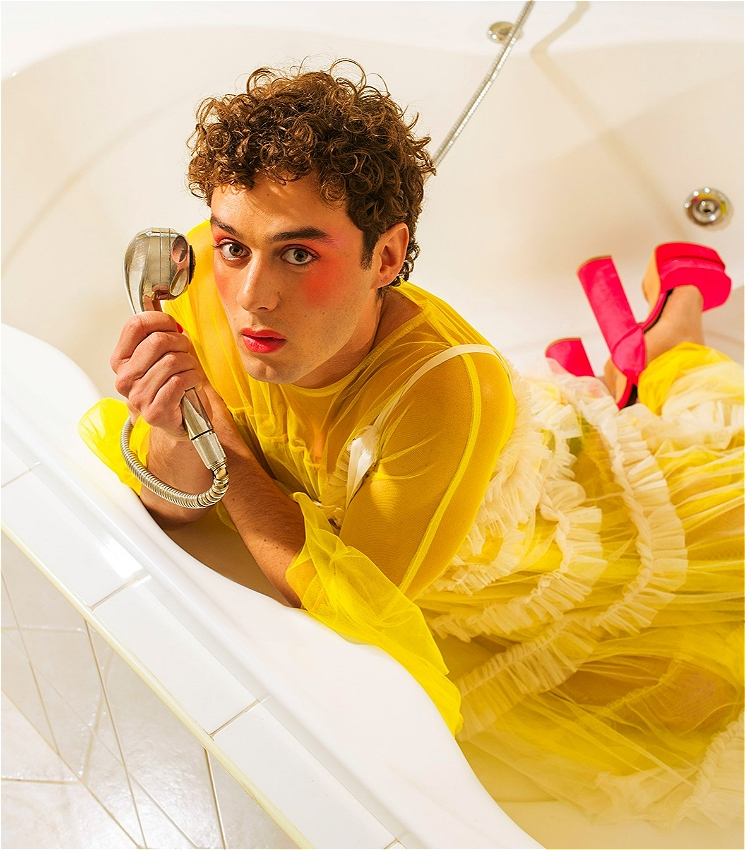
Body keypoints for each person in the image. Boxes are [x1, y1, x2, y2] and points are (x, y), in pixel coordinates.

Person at [80, 61, 743, 831]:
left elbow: (345, 604)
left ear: (387, 258)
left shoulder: (445, 391)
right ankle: (621, 368)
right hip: (427, 506)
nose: (251, 295)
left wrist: (214, 428)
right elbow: (176, 506)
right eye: (235, 246)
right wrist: (171, 421)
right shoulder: (209, 271)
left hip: (537, 537)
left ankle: (673, 325)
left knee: (692, 689)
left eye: (299, 254)